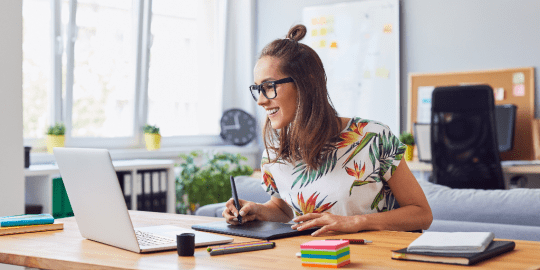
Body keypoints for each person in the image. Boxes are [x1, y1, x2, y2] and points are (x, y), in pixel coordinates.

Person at [222, 24, 432, 236]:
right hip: (314, 258)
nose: (260, 100)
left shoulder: (373, 138)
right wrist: (258, 210)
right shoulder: (274, 153)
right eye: (257, 89)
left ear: (307, 83)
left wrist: (356, 222)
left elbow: (422, 214)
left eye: (268, 86)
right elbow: (283, 209)